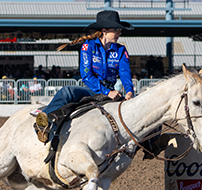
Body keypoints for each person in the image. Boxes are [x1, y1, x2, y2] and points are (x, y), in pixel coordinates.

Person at [35, 10, 134, 143]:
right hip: (93, 90)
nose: (119, 33)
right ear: (104, 31)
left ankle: (153, 142)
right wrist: (107, 92)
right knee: (68, 91)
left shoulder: (121, 50)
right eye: (116, 29)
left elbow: (125, 73)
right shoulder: (88, 47)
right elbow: (87, 76)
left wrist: (129, 92)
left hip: (112, 92)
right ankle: (43, 121)